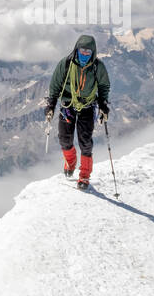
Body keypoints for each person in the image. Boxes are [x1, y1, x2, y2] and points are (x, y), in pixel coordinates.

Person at [44, 34, 110, 190]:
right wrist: (51, 105)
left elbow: (103, 87)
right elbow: (55, 85)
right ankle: (71, 161)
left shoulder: (97, 67)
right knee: (64, 139)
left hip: (88, 106)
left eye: (88, 52)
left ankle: (85, 176)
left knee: (85, 142)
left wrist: (103, 104)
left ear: (93, 52)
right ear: (76, 49)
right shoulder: (66, 64)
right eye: (82, 51)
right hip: (68, 105)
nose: (84, 55)